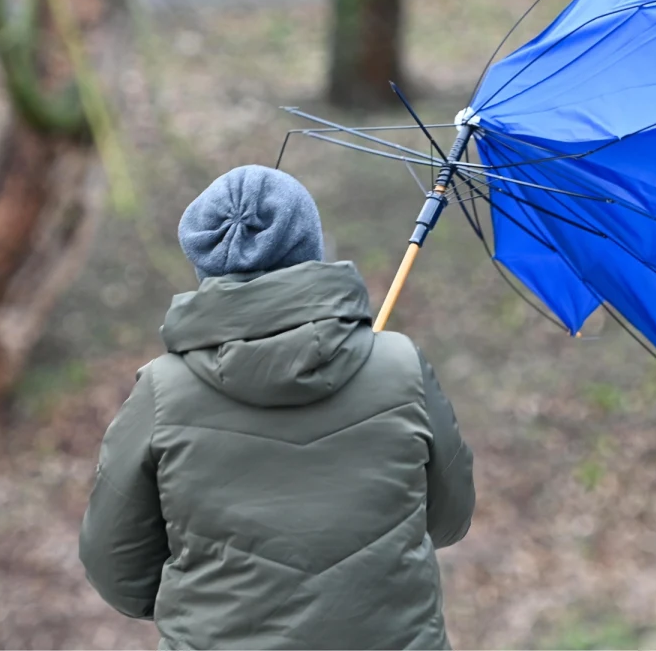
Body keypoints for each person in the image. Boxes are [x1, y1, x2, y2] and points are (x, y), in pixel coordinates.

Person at [79, 165, 475, 650]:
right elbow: (450, 518)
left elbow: (115, 567)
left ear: (204, 260)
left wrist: (207, 596)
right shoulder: (399, 366)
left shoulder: (162, 392)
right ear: (310, 247)